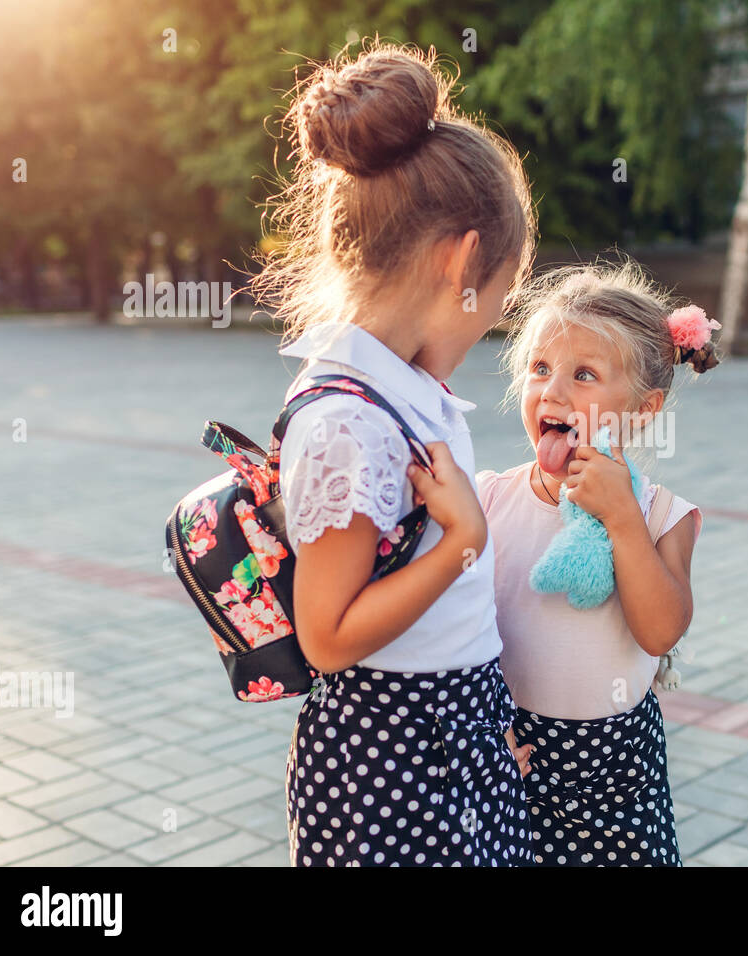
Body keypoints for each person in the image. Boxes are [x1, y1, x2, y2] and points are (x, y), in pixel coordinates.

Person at [254, 42, 537, 866]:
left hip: (452, 739)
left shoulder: (407, 393)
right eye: (501, 295)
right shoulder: (349, 424)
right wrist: (460, 543)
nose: (493, 321)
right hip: (395, 766)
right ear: (458, 261)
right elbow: (330, 637)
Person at [477, 261, 718, 866]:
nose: (553, 392)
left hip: (616, 778)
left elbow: (661, 629)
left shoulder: (663, 515)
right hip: (510, 759)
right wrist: (484, 730)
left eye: (583, 374)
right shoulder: (487, 500)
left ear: (643, 408)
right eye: (539, 369)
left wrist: (621, 520)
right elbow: (460, 629)